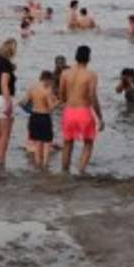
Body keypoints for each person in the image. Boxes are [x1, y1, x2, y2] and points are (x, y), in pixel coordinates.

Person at [60, 45, 104, 173]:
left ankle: (64, 172)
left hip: (69, 112)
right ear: (89, 58)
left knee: (67, 143)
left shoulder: (65, 73)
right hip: (83, 111)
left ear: (76, 57)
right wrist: (100, 117)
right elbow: (92, 96)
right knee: (88, 142)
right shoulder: (91, 75)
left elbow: (62, 95)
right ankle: (81, 171)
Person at [0, 38, 18, 167]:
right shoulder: (5, 63)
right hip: (3, 98)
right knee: (5, 134)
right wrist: (9, 103)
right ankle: (1, 161)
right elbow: (4, 84)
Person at [25, 71, 59, 171]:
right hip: (44, 117)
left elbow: (25, 102)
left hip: (34, 116)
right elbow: (51, 107)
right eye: (52, 81)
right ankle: (45, 164)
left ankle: (37, 164)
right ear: (48, 79)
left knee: (37, 142)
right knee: (47, 142)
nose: (52, 84)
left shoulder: (32, 88)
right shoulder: (47, 90)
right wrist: (57, 102)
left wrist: (33, 108)